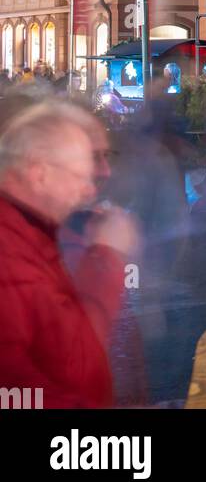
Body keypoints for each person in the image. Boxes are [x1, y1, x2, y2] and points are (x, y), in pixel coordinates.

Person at [0, 101, 137, 407]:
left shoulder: (35, 234)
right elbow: (63, 373)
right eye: (81, 174)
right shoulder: (10, 254)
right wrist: (106, 258)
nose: (90, 189)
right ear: (39, 174)